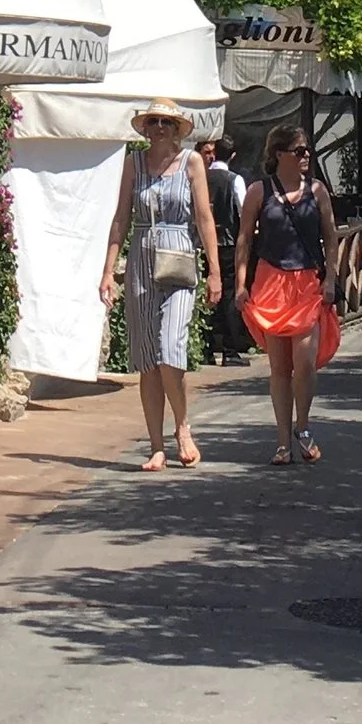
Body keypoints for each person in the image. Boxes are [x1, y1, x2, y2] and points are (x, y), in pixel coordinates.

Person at [101, 104, 222, 470]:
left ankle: (182, 426)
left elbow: (204, 217)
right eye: (152, 121)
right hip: (141, 258)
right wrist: (108, 270)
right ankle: (156, 446)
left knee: (171, 347)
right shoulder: (134, 163)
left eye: (165, 122)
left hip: (178, 257)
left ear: (177, 128)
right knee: (147, 358)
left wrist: (215, 271)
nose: (158, 127)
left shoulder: (191, 163)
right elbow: (121, 217)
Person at [236, 117, 341, 464]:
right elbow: (244, 240)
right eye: (299, 151)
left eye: (307, 150)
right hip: (271, 282)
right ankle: (283, 442)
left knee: (305, 363)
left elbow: (331, 236)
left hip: (307, 281)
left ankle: (303, 426)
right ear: (279, 154)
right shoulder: (258, 191)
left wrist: (330, 278)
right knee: (280, 368)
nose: (306, 155)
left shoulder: (317, 191)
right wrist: (240, 284)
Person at [205, 139, 249, 361]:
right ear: (232, 156)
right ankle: (230, 351)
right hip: (228, 243)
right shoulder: (235, 180)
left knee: (206, 294)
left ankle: (206, 349)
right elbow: (244, 211)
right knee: (229, 294)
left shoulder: (201, 177)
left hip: (204, 244)